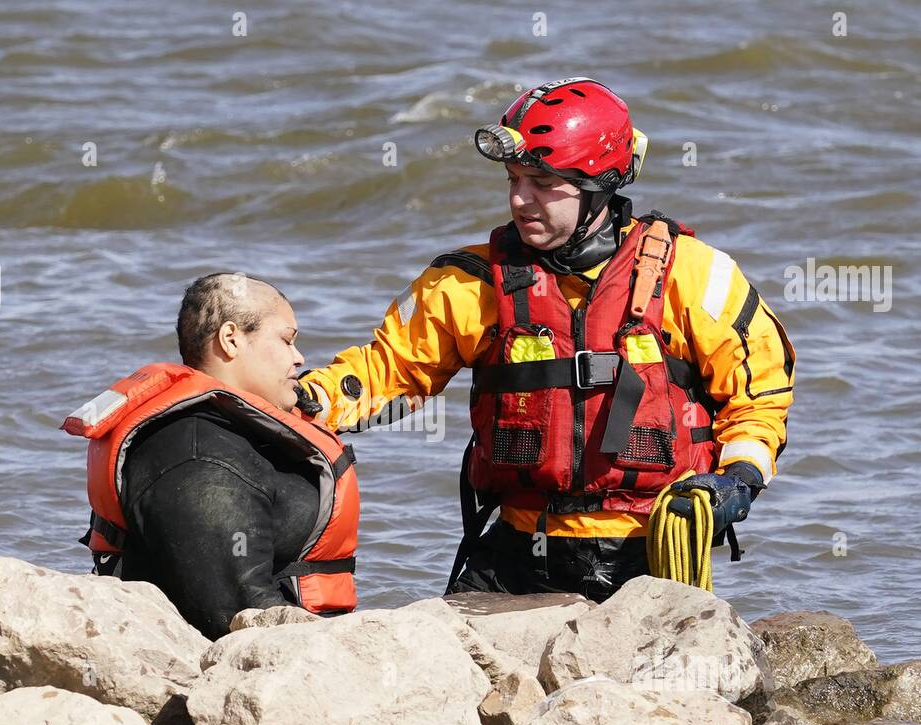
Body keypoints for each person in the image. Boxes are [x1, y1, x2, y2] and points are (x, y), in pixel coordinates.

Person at [296, 77, 794, 602]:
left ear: (600, 184)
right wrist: (305, 400)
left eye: (541, 182)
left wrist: (739, 478)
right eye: (513, 179)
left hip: (649, 551)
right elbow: (388, 371)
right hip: (519, 548)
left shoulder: (692, 275)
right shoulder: (470, 281)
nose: (519, 199)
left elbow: (759, 392)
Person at [63, 273, 359, 639]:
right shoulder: (199, 456)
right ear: (231, 339)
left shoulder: (231, 433)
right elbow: (237, 617)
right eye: (287, 340)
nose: (298, 358)